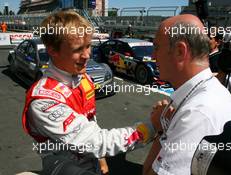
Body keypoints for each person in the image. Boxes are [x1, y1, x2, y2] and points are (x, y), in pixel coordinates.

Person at [22, 10, 161, 175]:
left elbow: (90, 121)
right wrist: (151, 126)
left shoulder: (83, 78)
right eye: (78, 49)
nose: (87, 55)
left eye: (88, 46)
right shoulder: (44, 100)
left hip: (91, 162)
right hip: (62, 166)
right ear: (52, 50)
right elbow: (95, 142)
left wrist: (100, 158)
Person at [143, 14, 231, 175]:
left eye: (157, 47)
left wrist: (161, 130)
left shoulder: (196, 112)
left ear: (180, 51)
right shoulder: (210, 92)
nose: (153, 56)